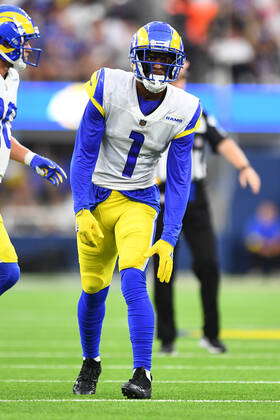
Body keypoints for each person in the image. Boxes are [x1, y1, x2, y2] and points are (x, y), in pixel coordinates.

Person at [70, 21, 201, 399]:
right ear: (135, 59)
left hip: (139, 202)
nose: (159, 68)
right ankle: (90, 361)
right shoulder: (108, 85)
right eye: (152, 59)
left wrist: (169, 238)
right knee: (94, 289)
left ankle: (142, 373)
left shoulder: (185, 107)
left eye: (166, 61)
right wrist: (80, 208)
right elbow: (83, 153)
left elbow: (178, 179)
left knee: (132, 280)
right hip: (96, 196)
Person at [153, 62, 261, 355]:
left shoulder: (198, 113)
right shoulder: (150, 112)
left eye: (184, 77)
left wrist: (245, 166)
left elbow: (222, 141)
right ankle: (167, 338)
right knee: (163, 269)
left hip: (193, 195)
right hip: (160, 196)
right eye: (176, 77)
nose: (181, 83)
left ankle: (211, 335)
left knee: (209, 265)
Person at [0, 5, 67, 297]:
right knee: (6, 270)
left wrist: (32, 158)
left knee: (6, 271)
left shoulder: (11, 77)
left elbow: (2, 135)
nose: (28, 47)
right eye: (23, 40)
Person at [244, 200, 280, 274]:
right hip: (259, 251)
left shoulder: (277, 223)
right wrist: (263, 245)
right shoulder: (254, 223)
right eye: (265, 211)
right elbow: (250, 238)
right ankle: (255, 270)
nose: (268, 214)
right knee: (253, 245)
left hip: (274, 250)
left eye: (270, 211)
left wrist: (272, 246)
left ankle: (276, 270)